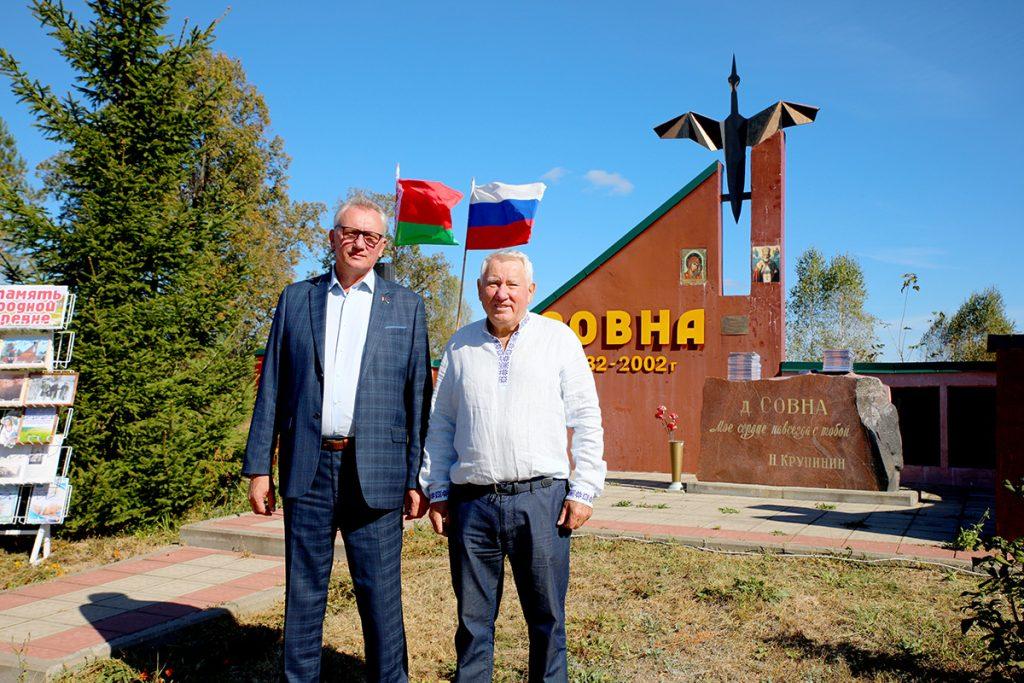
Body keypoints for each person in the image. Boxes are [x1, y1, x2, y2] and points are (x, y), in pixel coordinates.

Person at [242, 196, 432, 682]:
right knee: (303, 595)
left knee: (381, 597)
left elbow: (418, 399)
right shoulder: (296, 298)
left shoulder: (407, 307)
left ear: (383, 246)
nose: (359, 243)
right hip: (308, 469)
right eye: (350, 233)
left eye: (370, 237)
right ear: (332, 237)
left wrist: (418, 477)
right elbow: (274, 387)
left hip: (378, 474)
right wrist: (259, 466)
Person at [420, 249, 606, 682]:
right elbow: (441, 423)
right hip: (472, 506)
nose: (502, 293)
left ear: (530, 291)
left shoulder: (558, 340)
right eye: (493, 283)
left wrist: (584, 488)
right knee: (472, 622)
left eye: (512, 285)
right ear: (480, 289)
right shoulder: (460, 344)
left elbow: (586, 416)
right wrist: (438, 491)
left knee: (547, 619)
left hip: (541, 501)